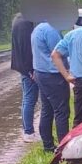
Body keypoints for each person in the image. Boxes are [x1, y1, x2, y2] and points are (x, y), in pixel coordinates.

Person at [31, 21, 69, 152]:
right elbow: (60, 52)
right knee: (61, 111)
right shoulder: (51, 30)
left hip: (40, 73)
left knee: (47, 109)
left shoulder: (38, 28)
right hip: (53, 75)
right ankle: (64, 147)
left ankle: (47, 144)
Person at [10, 13, 39, 143]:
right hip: (27, 68)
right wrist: (30, 70)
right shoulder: (25, 24)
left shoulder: (18, 20)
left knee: (27, 98)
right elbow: (27, 48)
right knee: (29, 99)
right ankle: (28, 131)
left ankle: (27, 129)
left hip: (23, 67)